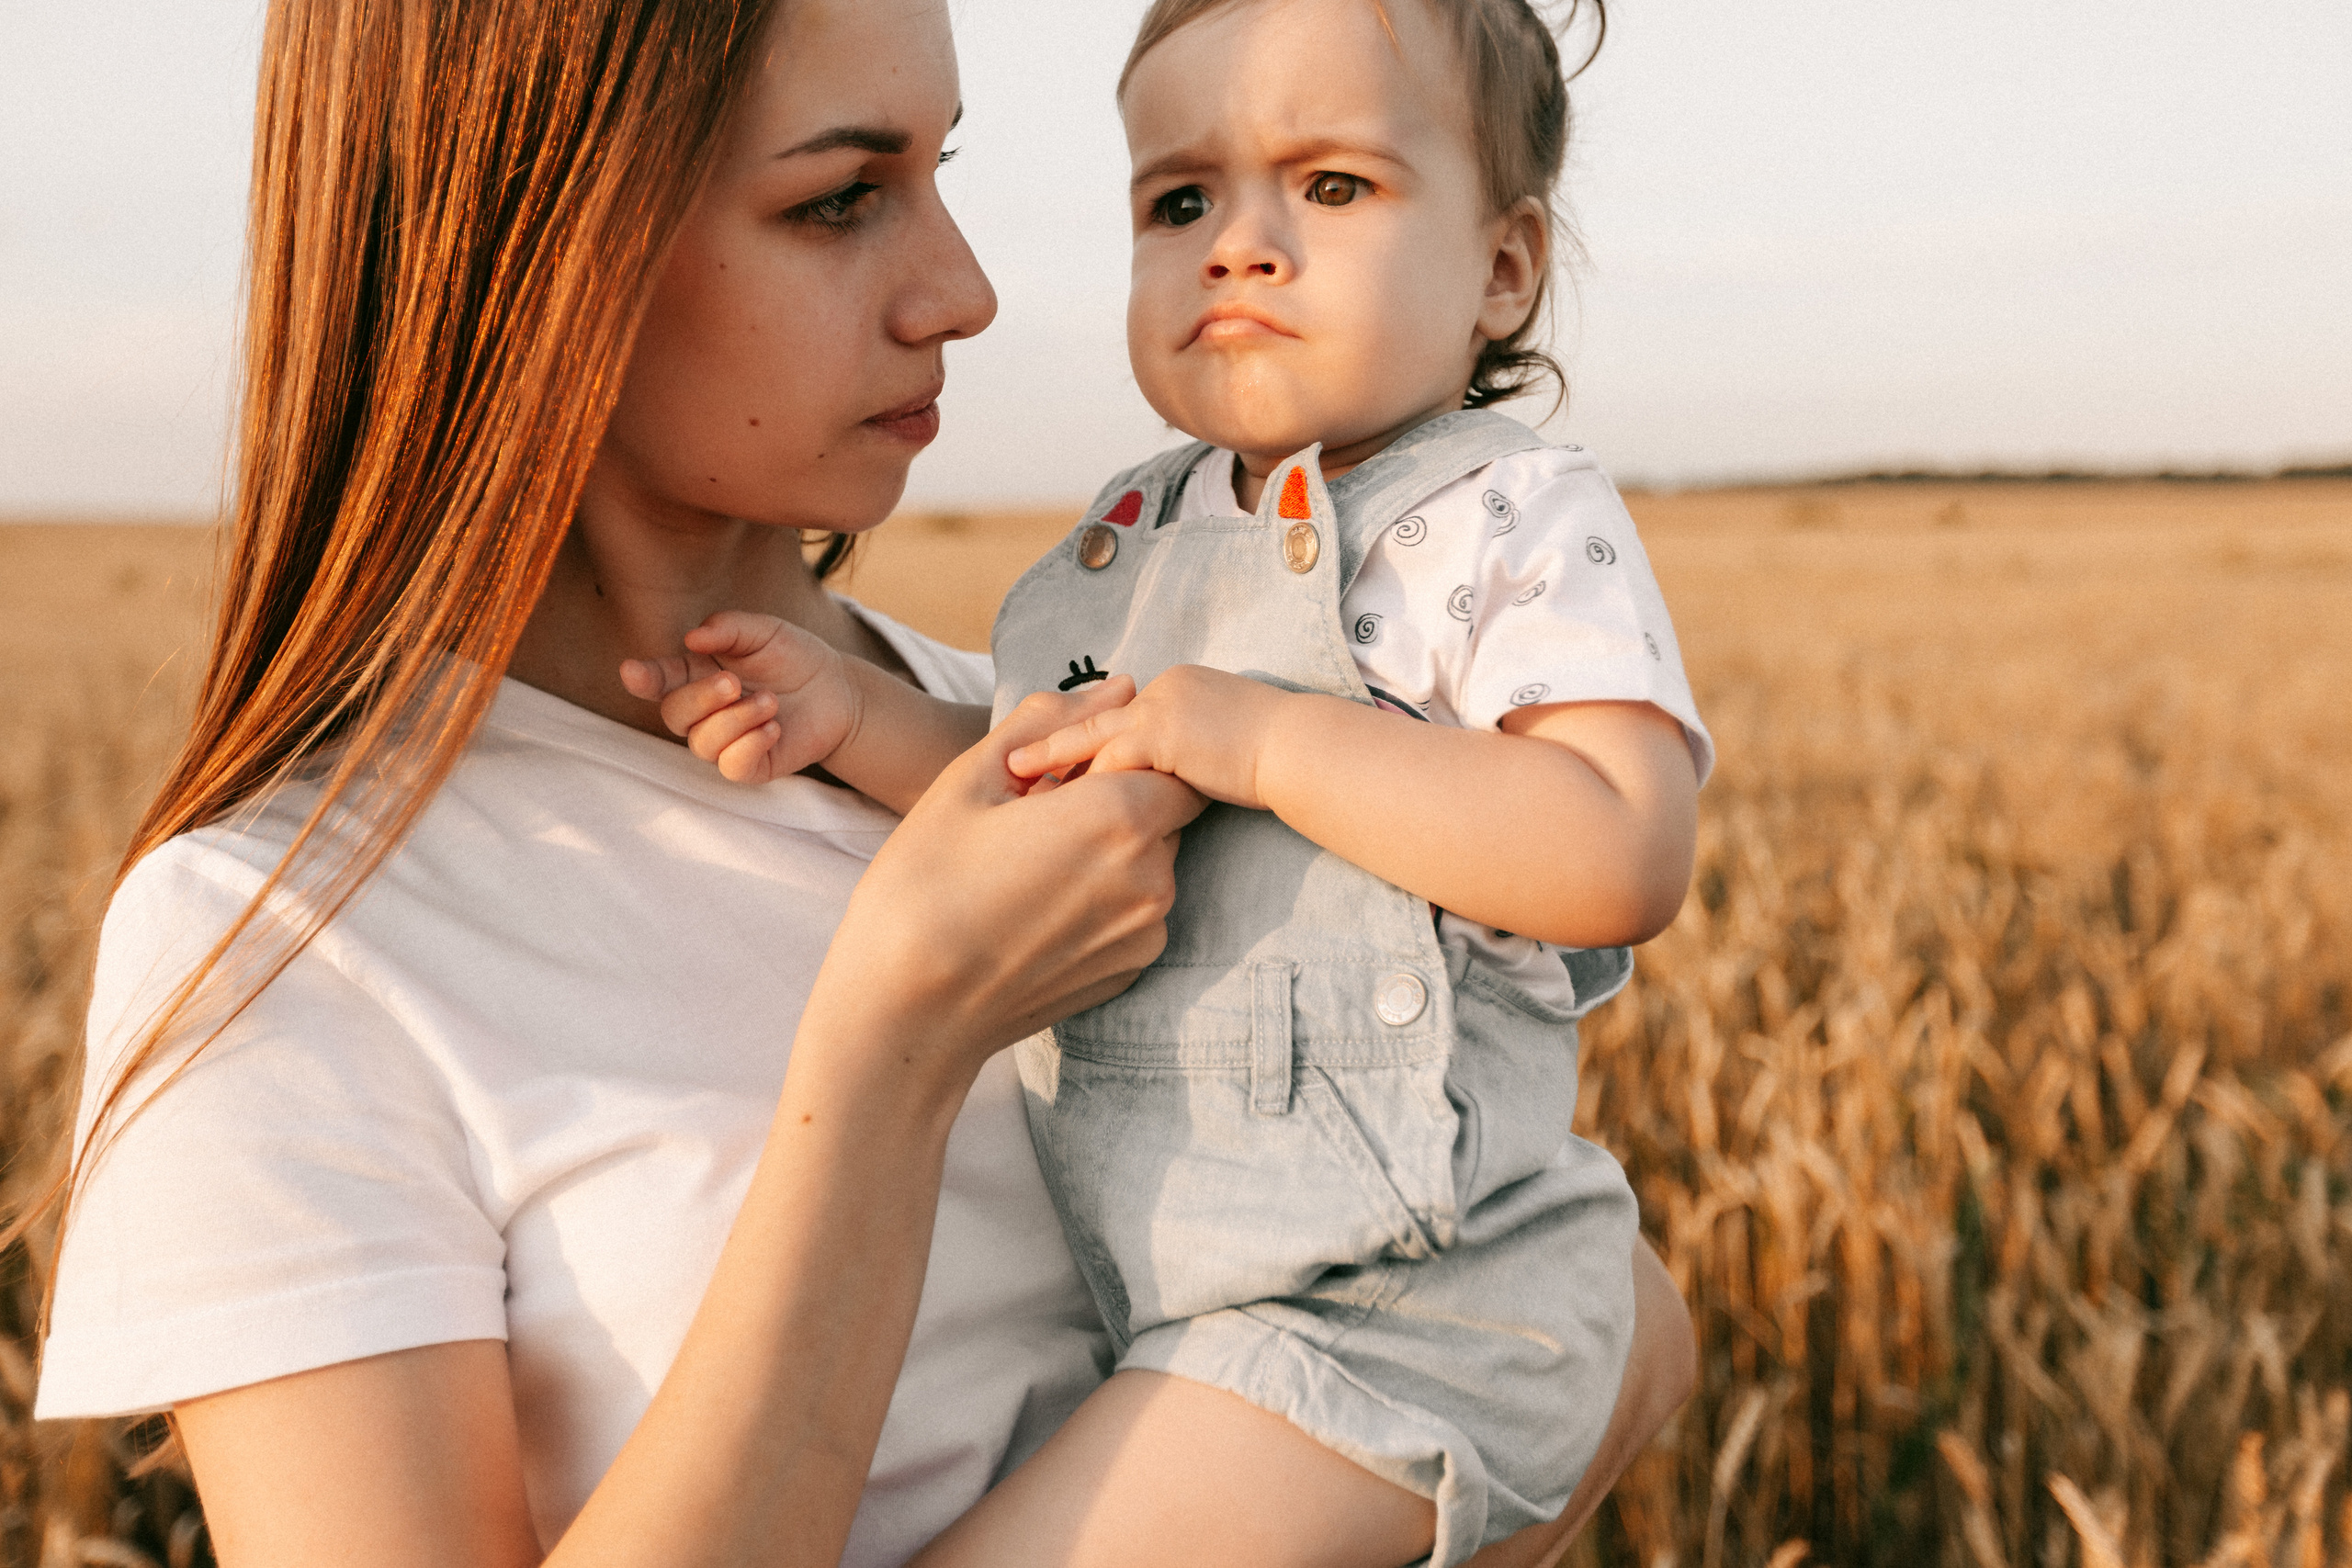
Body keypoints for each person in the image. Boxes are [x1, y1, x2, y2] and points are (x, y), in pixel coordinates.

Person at [30, 1, 1693, 1566]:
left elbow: (1575, 1310)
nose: (964, 292)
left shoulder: (1055, 726)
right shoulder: (277, 941)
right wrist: (896, 1045)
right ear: (535, 249)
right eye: (840, 200)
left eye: (941, 170)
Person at [612, 0, 1708, 1563]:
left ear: (1503, 268)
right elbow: (1044, 786)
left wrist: (1263, 742)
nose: (1239, 248)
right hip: (1188, 1306)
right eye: (1181, 201)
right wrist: (854, 714)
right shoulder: (1135, 537)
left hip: (1407, 1305)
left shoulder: (1507, 520)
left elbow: (1619, 848)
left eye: (1332, 187)